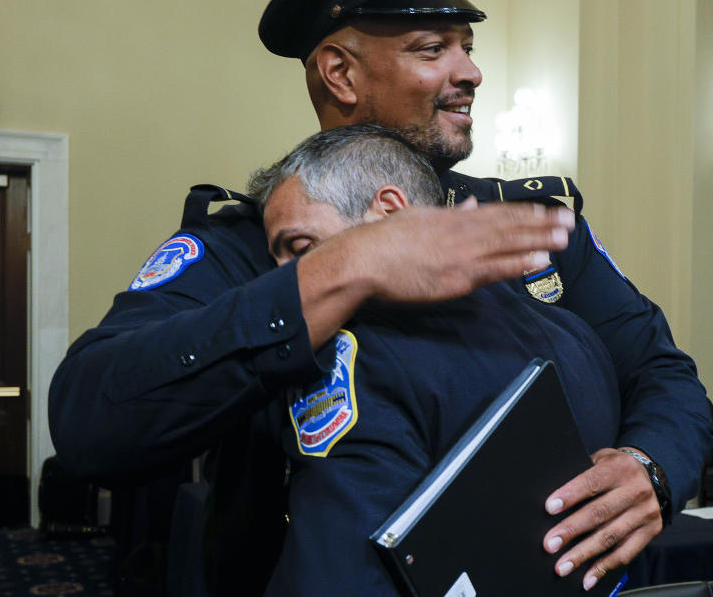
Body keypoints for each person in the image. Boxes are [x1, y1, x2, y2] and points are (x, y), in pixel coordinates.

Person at [49, 0, 712, 593]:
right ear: (340, 74)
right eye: (433, 48)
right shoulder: (252, 244)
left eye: (468, 46)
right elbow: (90, 417)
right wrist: (344, 266)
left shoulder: (525, 224)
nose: (470, 73)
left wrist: (650, 468)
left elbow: (665, 374)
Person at [249, 123, 627, 594]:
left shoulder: (358, 351)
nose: (289, 284)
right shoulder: (574, 334)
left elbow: (335, 576)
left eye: (300, 248)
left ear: (387, 212)